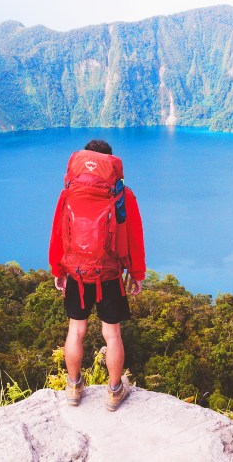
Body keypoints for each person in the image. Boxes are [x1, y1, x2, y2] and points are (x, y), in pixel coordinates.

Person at [49, 139, 146, 411]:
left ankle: (73, 387)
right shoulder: (122, 194)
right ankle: (115, 391)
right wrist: (136, 273)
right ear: (110, 163)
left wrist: (58, 269)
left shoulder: (68, 192)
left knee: (76, 330)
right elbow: (135, 237)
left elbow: (58, 232)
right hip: (110, 274)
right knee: (112, 334)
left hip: (77, 274)